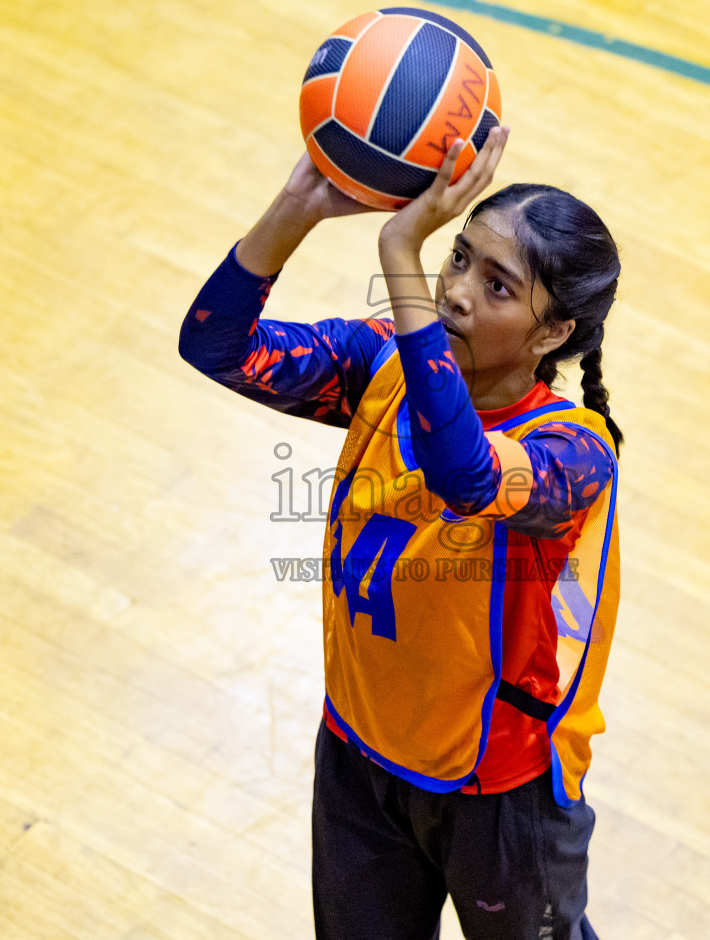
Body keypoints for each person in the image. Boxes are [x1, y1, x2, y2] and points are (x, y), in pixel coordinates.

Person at [179, 126, 622, 940]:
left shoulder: (575, 452)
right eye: (458, 259)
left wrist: (399, 251)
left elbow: (468, 474)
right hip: (357, 753)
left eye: (497, 287)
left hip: (498, 792)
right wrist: (296, 209)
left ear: (553, 334)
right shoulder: (378, 362)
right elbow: (214, 344)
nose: (455, 292)